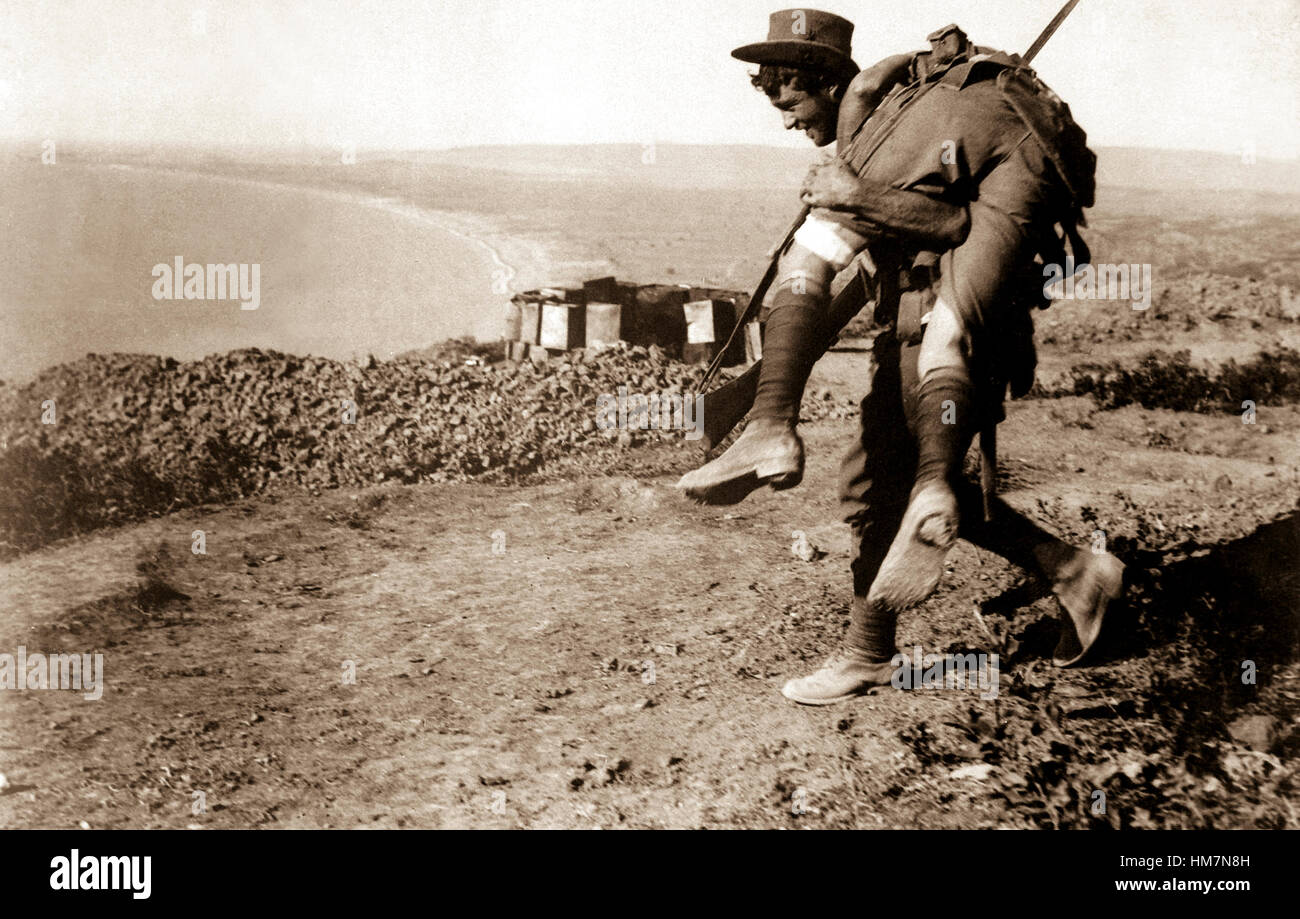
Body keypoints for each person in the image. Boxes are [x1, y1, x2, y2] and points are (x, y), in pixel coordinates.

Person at [678, 10, 1125, 703]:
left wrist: (854, 198)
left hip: (957, 329)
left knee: (894, 480)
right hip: (910, 325)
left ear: (825, 83)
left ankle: (872, 650)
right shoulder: (877, 132)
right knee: (888, 481)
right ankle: (1074, 573)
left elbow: (955, 225)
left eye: (790, 102)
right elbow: (853, 281)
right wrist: (762, 386)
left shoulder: (900, 128)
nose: (787, 121)